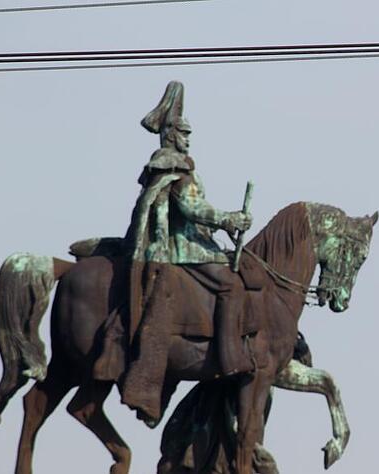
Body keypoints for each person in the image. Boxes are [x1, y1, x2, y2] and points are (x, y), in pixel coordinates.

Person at [121, 81, 253, 422]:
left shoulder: (176, 164)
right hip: (184, 249)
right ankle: (229, 356)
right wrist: (230, 219)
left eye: (189, 133)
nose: (188, 138)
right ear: (169, 133)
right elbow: (193, 208)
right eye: (183, 132)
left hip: (196, 242)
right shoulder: (172, 166)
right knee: (231, 284)